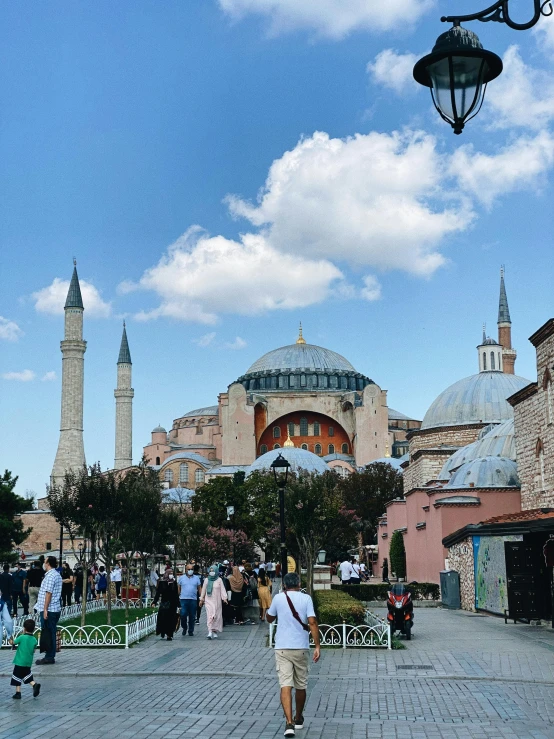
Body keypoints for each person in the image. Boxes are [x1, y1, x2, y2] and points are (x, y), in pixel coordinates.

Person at [267, 572, 320, 738]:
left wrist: (271, 611)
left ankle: (288, 723)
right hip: (301, 647)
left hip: (282, 647)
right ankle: (298, 718)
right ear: (298, 584)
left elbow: (269, 618)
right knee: (301, 685)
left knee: (285, 684)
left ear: (284, 585)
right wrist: (317, 645)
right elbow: (312, 622)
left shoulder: (278, 598)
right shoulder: (306, 599)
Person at [35, 556, 62, 666]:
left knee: (49, 632)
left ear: (48, 563)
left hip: (50, 609)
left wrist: (45, 609)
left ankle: (49, 656)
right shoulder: (56, 575)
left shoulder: (51, 576)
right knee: (49, 631)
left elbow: (48, 593)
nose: (43, 564)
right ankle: (49, 655)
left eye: (45, 562)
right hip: (53, 608)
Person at [11, 618, 41, 700]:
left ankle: (18, 693)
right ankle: (34, 685)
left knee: (17, 676)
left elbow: (13, 642)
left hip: (20, 661)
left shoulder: (22, 637)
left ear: (24, 628)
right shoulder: (34, 639)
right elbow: (34, 650)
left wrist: (10, 638)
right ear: (33, 629)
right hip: (28, 662)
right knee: (25, 674)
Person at [199, 563, 227, 639]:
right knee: (210, 616)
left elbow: (222, 590)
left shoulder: (219, 580)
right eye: (210, 571)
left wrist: (224, 598)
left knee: (216, 617)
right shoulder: (207, 580)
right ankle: (210, 631)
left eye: (213, 570)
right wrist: (201, 599)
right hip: (209, 601)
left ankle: (214, 631)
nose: (212, 572)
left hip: (217, 602)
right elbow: (203, 590)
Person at [153, 569, 179, 641]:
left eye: (172, 573)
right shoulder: (162, 583)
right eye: (169, 573)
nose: (171, 574)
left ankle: (169, 635)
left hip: (172, 605)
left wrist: (179, 604)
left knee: (171, 620)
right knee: (163, 619)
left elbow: (176, 594)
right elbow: (158, 593)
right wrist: (154, 602)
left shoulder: (174, 583)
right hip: (164, 604)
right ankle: (162, 632)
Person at [177, 566, 201, 636]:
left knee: (192, 616)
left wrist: (201, 598)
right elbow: (178, 588)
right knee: (183, 614)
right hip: (183, 599)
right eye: (189, 569)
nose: (190, 570)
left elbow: (199, 588)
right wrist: (177, 597)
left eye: (192, 569)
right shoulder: (181, 578)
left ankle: (191, 630)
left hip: (193, 599)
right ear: (186, 570)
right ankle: (184, 627)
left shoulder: (196, 578)